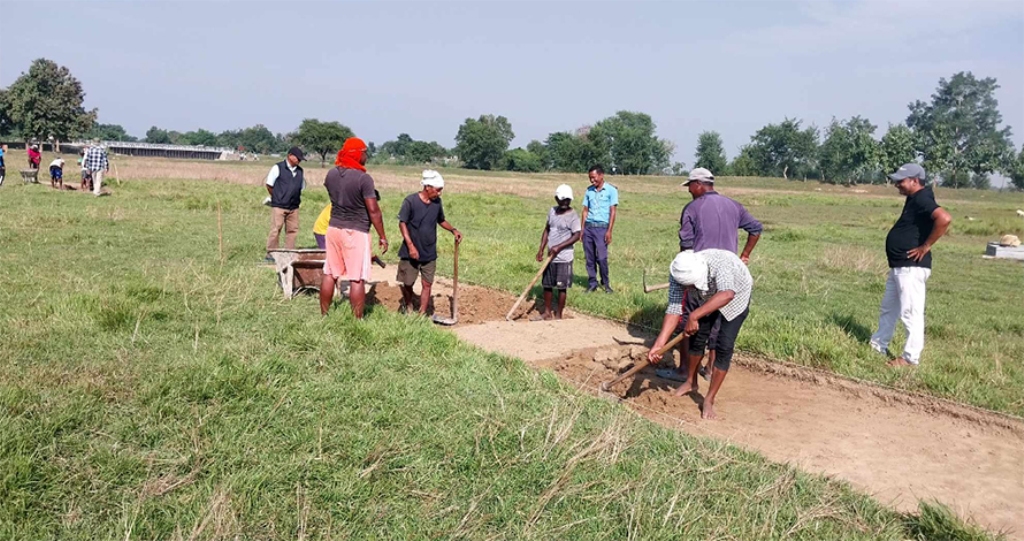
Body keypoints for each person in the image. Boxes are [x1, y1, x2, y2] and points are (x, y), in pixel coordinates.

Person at [657, 167, 763, 383]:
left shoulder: (692, 208)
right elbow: (756, 229)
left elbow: (686, 246)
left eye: (690, 186)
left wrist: (684, 274)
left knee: (689, 320)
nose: (689, 191)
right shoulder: (734, 205)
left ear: (698, 184)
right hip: (726, 276)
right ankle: (708, 368)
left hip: (700, 276)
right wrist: (744, 254)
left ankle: (685, 370)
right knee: (718, 322)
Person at [647, 249, 753, 420]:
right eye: (686, 286)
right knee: (696, 338)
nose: (687, 289)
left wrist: (694, 315)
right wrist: (659, 344)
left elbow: (727, 294)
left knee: (724, 345)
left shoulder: (721, 265)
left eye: (690, 286)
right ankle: (691, 382)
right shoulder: (678, 273)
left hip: (736, 295)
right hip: (706, 297)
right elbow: (674, 308)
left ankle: (709, 399)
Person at [869, 164, 951, 367]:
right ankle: (878, 345)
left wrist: (926, 246)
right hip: (900, 265)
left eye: (901, 180)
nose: (897, 184)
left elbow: (944, 218)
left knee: (910, 312)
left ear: (915, 180)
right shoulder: (914, 199)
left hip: (911, 267)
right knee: (889, 308)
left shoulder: (922, 198)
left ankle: (910, 358)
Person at [319, 137, 389, 318]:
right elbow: (373, 210)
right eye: (364, 152)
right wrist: (382, 235)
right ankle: (357, 321)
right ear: (357, 155)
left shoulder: (331, 174)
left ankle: (324, 315)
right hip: (356, 231)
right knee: (357, 277)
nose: (366, 156)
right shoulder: (364, 179)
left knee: (330, 273)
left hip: (333, 228)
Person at [397, 170, 462, 316]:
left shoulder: (437, 203)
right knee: (407, 283)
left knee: (427, 284)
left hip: (429, 251)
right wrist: (411, 246)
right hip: (411, 252)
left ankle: (421, 314)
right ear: (428, 187)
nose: (439, 194)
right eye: (438, 190)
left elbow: (441, 220)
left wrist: (453, 230)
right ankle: (408, 307)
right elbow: (402, 224)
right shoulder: (410, 201)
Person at [534, 184, 582, 320]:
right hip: (550, 257)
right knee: (547, 285)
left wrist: (559, 247)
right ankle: (547, 312)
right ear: (556, 199)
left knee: (562, 287)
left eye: (568, 200)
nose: (565, 202)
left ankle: (559, 315)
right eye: (563, 200)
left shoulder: (573, 216)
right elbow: (547, 229)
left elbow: (577, 235)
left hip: (564, 258)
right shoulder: (552, 211)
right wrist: (541, 249)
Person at [580, 165, 618, 293]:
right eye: (590, 178)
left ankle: (606, 283)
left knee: (601, 258)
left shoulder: (611, 190)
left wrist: (609, 231)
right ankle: (592, 283)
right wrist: (582, 229)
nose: (592, 180)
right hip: (589, 227)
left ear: (601, 175)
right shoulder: (589, 191)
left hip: (602, 228)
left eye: (594, 177)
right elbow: (585, 210)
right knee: (589, 258)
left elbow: (613, 211)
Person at [264, 147, 306, 260]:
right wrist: (277, 196)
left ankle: (289, 253)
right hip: (279, 206)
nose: (299, 161)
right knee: (275, 229)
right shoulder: (277, 168)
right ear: (290, 156)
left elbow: (301, 187)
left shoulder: (300, 171)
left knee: (292, 231)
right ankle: (271, 254)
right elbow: (269, 185)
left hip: (294, 207)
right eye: (298, 158)